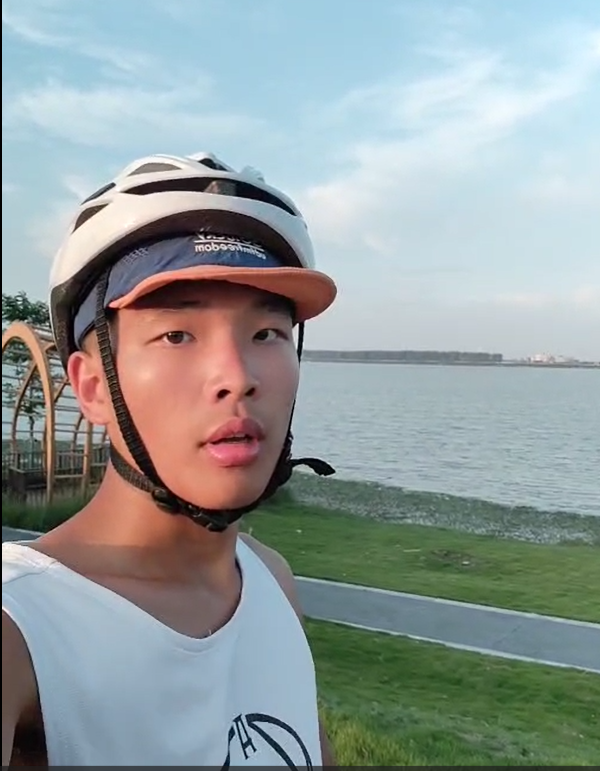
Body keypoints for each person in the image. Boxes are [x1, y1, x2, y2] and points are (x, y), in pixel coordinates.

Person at [2, 152, 339, 766]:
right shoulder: (20, 625)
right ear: (93, 387)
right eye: (177, 335)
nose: (236, 377)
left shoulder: (270, 581)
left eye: (267, 334)